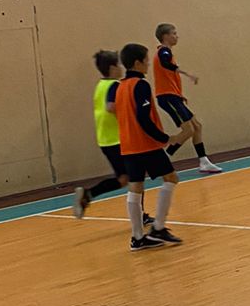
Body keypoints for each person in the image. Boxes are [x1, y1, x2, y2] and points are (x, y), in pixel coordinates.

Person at [113, 43, 184, 250]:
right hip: (145, 145)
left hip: (128, 146)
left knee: (135, 188)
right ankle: (158, 228)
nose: (148, 64)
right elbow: (143, 118)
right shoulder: (140, 85)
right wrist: (165, 138)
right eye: (145, 61)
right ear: (137, 63)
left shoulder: (120, 87)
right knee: (171, 178)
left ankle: (137, 238)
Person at [70, 49, 151, 224]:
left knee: (123, 179)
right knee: (136, 177)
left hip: (105, 140)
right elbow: (111, 107)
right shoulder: (115, 85)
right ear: (113, 68)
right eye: (119, 65)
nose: (122, 68)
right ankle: (140, 215)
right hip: (119, 140)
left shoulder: (100, 86)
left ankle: (88, 194)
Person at [153, 24, 222, 173]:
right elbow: (165, 64)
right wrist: (186, 73)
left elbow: (167, 75)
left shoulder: (167, 52)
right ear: (165, 36)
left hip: (173, 96)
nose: (177, 36)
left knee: (197, 126)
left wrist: (179, 95)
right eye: (174, 33)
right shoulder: (163, 51)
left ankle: (204, 161)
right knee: (189, 130)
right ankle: (162, 158)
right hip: (167, 97)